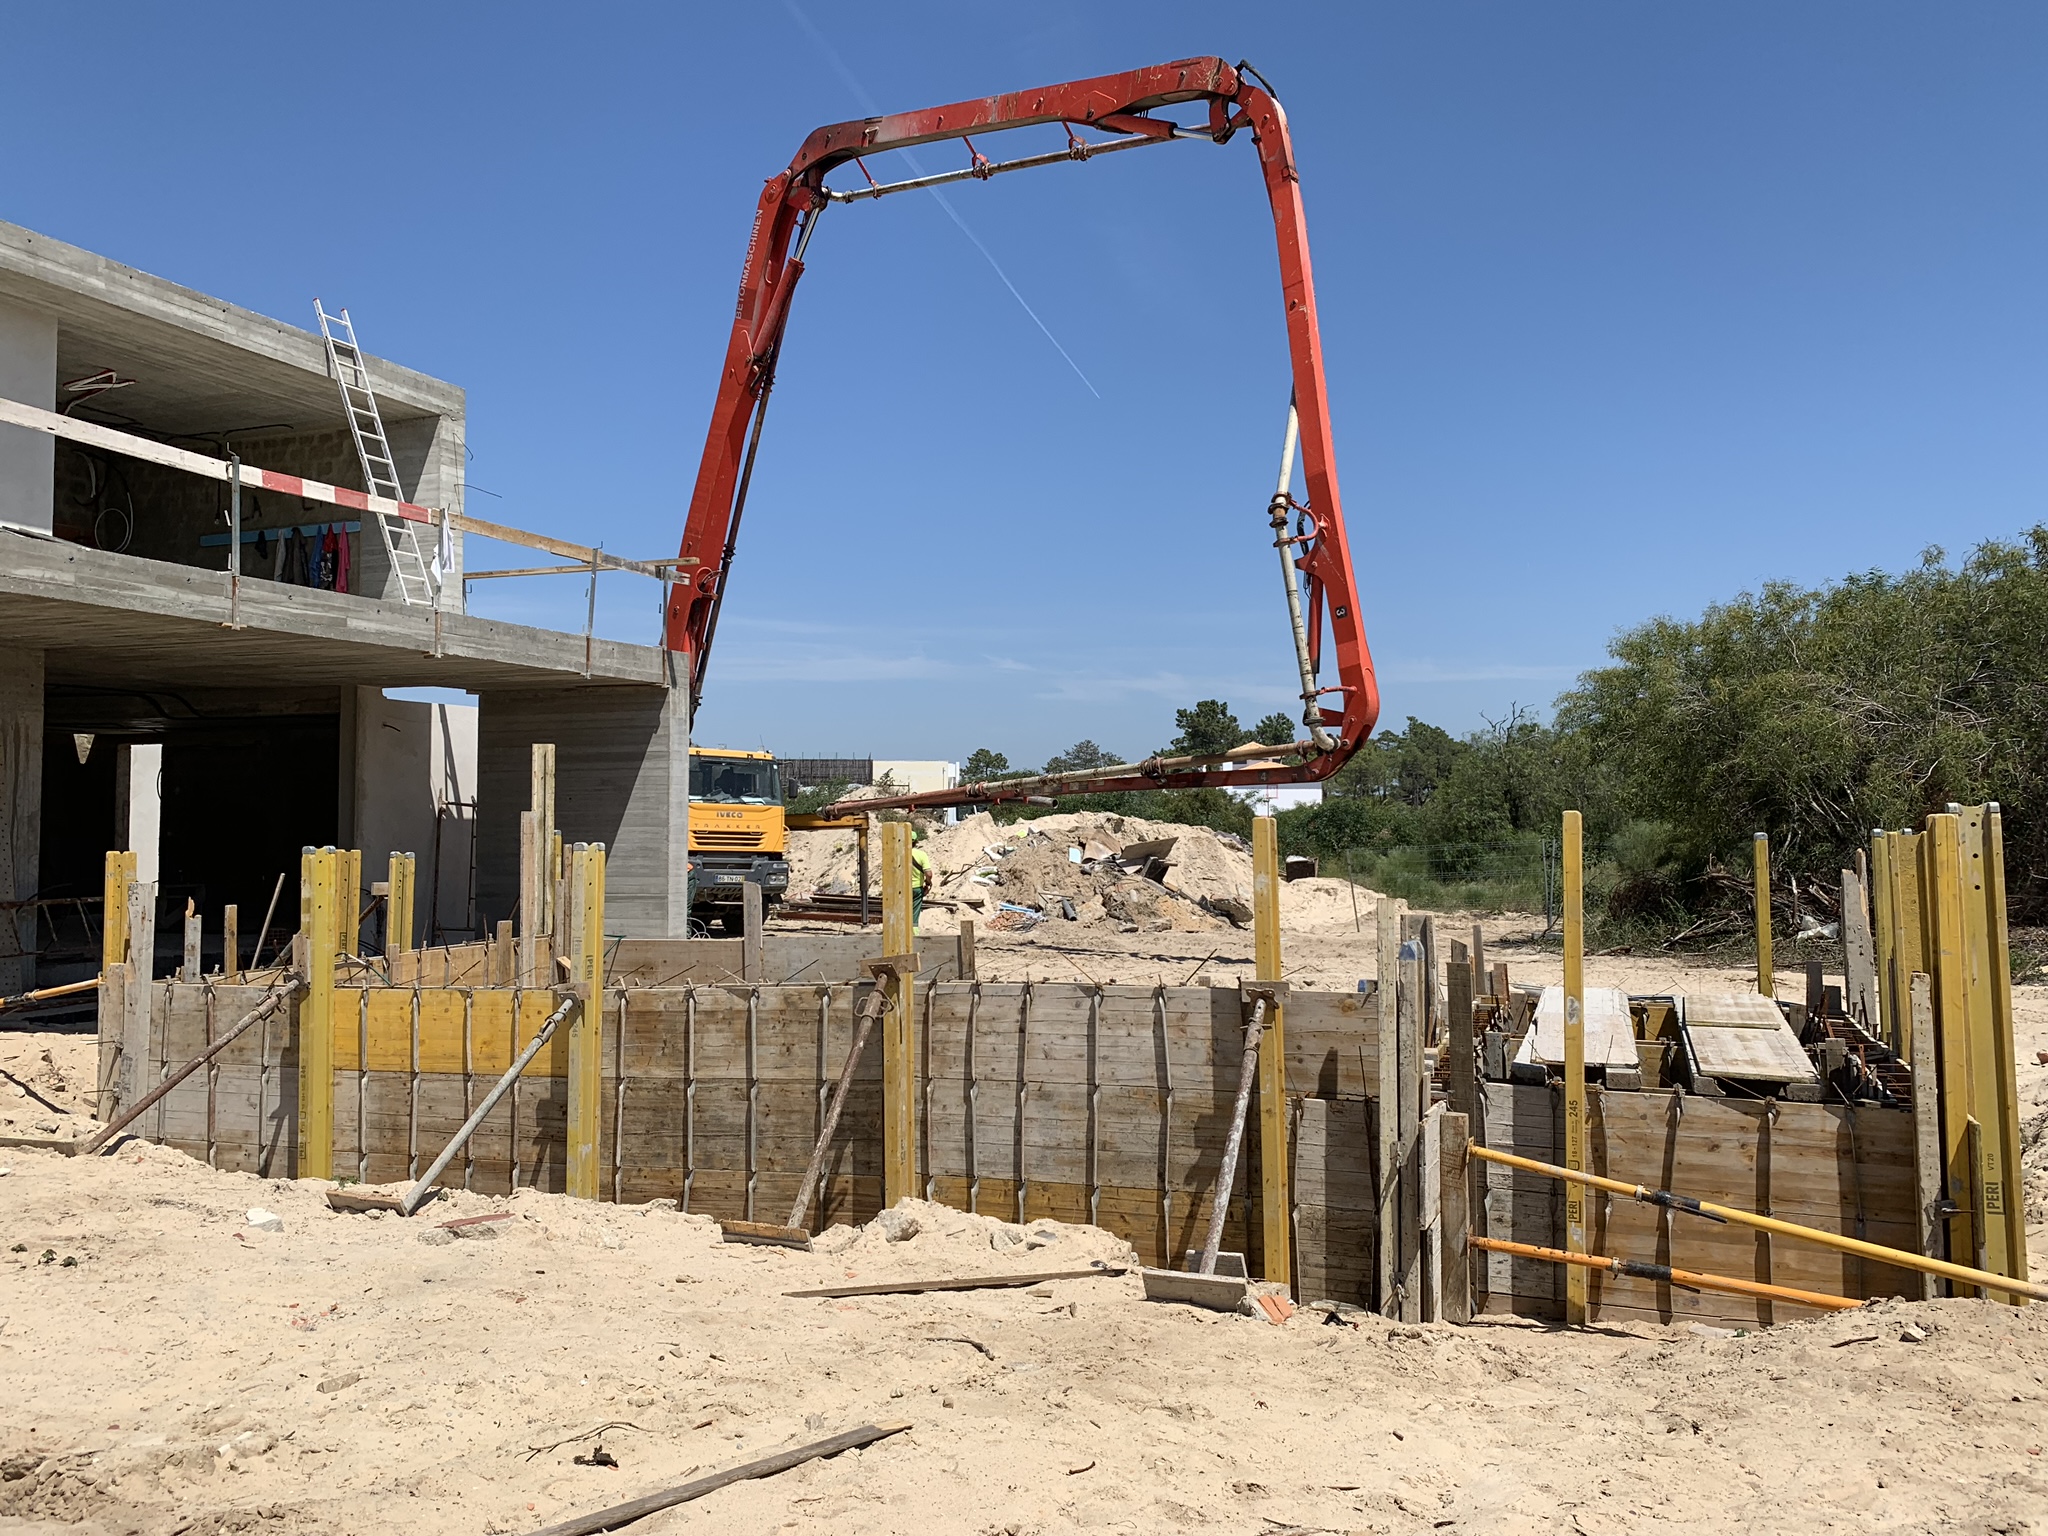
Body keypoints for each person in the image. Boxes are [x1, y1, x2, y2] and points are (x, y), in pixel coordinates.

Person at [910, 826, 934, 930]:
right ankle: (914, 934)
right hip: (916, 889)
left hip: (900, 890)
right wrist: (927, 884)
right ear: (915, 842)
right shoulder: (921, 855)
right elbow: (928, 874)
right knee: (914, 917)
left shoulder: (897, 854)